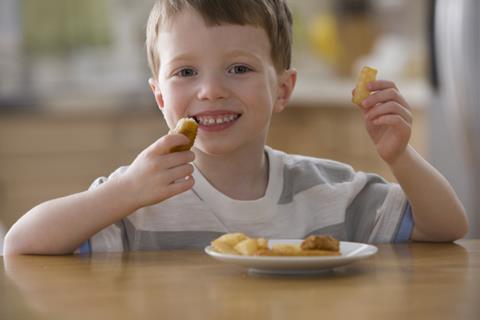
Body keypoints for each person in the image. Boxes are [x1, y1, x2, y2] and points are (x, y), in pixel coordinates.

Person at [3, 0, 468, 255]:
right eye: (186, 72)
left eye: (239, 69)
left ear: (283, 89)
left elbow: (447, 227)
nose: (210, 91)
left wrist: (399, 157)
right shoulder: (142, 196)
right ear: (161, 97)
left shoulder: (330, 192)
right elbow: (20, 243)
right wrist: (121, 192)